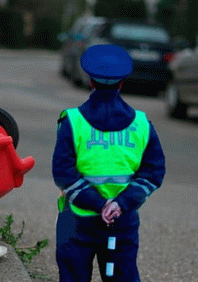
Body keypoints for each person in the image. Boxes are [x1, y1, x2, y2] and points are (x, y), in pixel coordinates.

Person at [52, 44, 166, 281]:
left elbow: (63, 173)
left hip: (76, 220)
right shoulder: (142, 125)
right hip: (121, 221)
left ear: (90, 82)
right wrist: (120, 204)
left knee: (73, 276)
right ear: (122, 83)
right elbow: (154, 171)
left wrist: (97, 203)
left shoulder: (72, 122)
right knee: (122, 276)